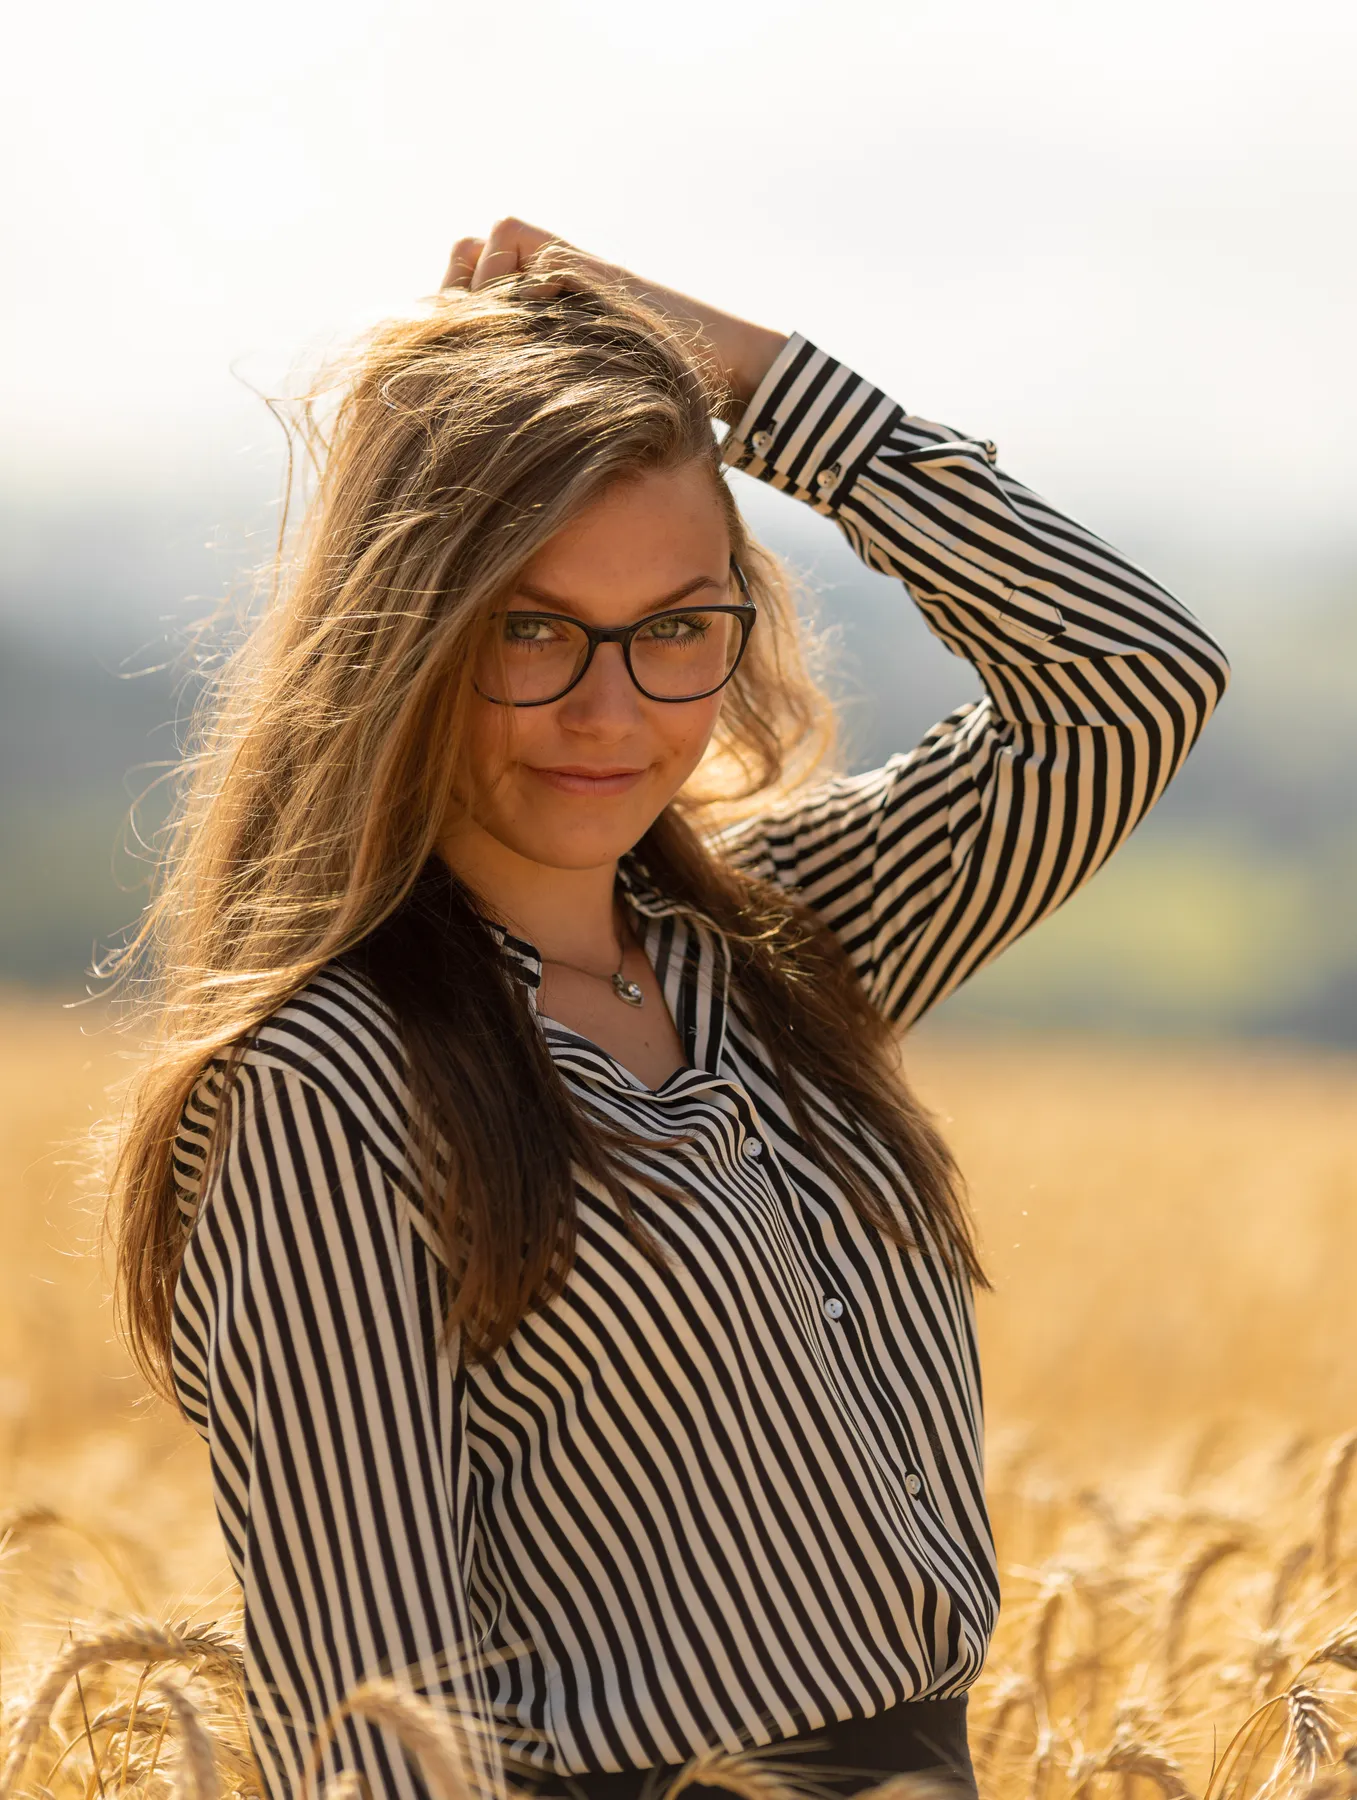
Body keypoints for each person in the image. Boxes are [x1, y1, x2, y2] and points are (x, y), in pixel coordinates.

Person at [108, 219, 1230, 1800]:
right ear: (407, 635)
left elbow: (1130, 677)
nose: (611, 710)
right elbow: (374, 1714)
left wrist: (751, 381)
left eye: (679, 628)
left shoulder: (790, 945)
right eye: (532, 626)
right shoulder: (327, 1084)